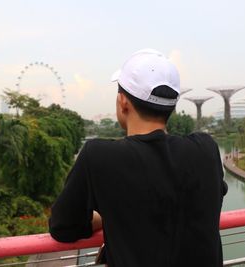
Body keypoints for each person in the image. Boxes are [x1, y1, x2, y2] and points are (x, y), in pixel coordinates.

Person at [49, 49, 227, 267]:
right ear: (172, 104)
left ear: (123, 102)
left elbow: (62, 227)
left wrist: (108, 217)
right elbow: (212, 195)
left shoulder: (98, 156)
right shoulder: (206, 149)